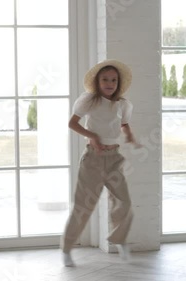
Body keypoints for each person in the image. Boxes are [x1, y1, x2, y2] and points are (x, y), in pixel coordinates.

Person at [62, 59, 139, 267]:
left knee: (125, 203)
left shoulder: (122, 104)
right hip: (93, 160)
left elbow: (123, 123)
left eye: (113, 80)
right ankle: (67, 248)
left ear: (118, 83)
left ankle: (119, 239)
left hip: (114, 159)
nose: (109, 83)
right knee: (83, 207)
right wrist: (92, 136)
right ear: (97, 82)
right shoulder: (89, 100)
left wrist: (129, 134)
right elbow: (72, 123)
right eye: (105, 79)